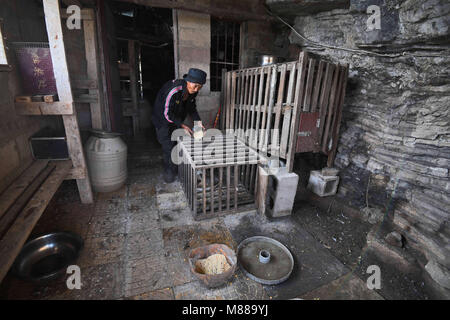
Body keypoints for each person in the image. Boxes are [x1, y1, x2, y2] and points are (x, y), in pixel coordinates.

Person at [152, 68, 206, 183]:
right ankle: (169, 172)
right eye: (195, 86)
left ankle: (179, 168)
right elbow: (166, 113)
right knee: (168, 147)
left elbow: (192, 108)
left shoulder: (192, 92)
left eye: (199, 87)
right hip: (162, 120)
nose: (196, 89)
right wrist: (182, 125)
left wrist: (198, 122)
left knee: (178, 144)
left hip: (176, 120)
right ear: (188, 81)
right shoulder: (173, 90)